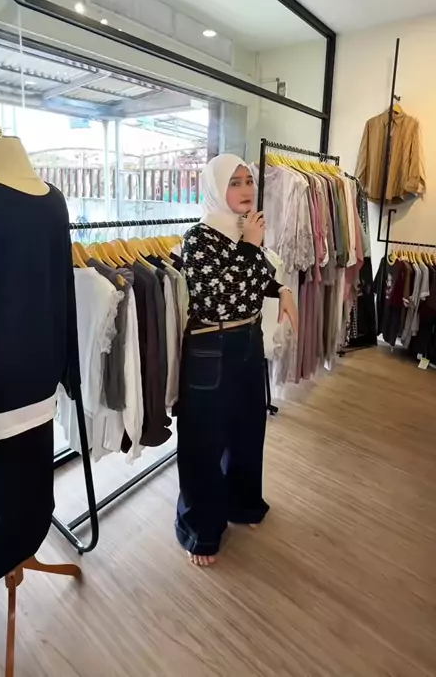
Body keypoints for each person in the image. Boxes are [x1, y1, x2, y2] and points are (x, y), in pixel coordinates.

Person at [175, 153, 297, 566]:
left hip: (247, 340)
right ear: (216, 188)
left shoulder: (244, 229)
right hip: (211, 345)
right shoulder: (199, 238)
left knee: (247, 429)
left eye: (248, 181)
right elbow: (218, 297)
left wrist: (282, 289)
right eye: (235, 182)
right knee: (203, 442)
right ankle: (200, 530)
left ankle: (243, 504)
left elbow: (258, 279)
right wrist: (249, 247)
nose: (246, 190)